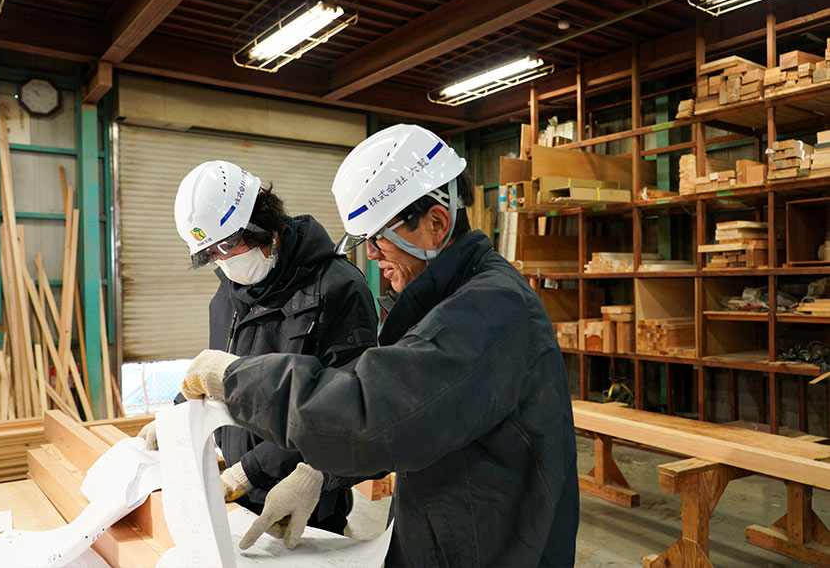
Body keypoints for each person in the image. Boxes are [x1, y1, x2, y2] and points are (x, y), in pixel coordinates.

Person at [179, 126, 580, 566]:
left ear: (436, 223)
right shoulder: (447, 298)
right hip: (452, 533)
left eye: (377, 237)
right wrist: (321, 471)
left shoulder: (490, 309)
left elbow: (375, 411)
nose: (370, 254)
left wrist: (237, 380)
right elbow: (416, 420)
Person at [139, 160, 379, 540]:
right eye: (210, 254)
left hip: (305, 500)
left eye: (228, 244)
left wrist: (251, 470)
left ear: (264, 223)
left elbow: (346, 411)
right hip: (238, 499)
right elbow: (222, 378)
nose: (223, 260)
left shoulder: (337, 288)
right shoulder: (227, 295)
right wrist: (176, 417)